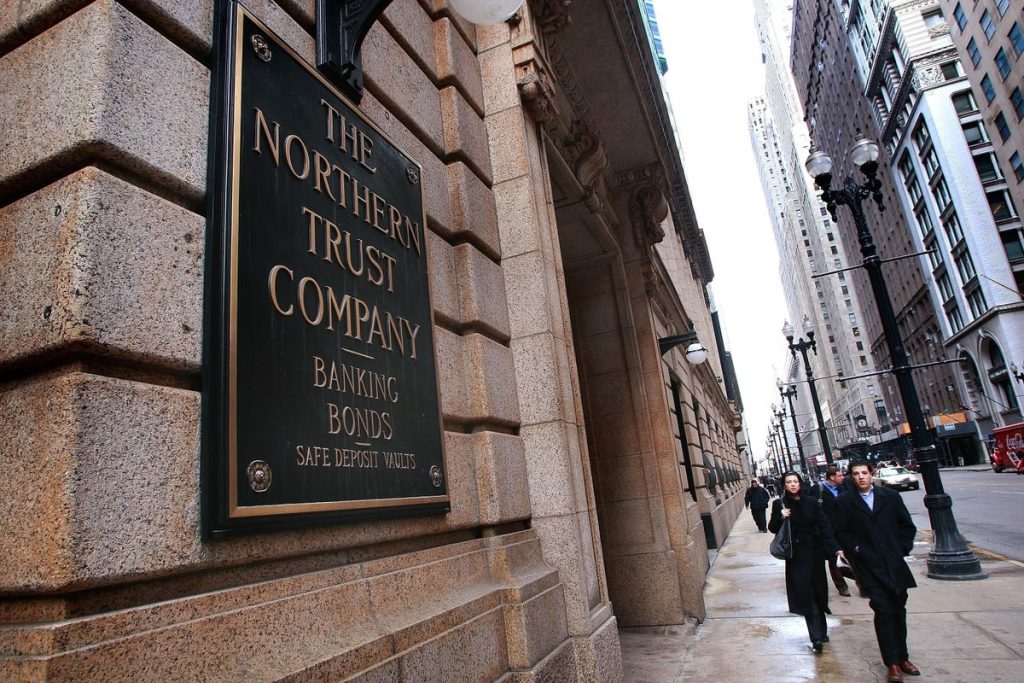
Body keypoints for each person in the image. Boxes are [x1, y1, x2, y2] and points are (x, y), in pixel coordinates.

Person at [832, 459, 920, 682]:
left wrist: (899, 548)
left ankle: (903, 658)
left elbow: (906, 526)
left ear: (871, 474)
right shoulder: (844, 502)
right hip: (868, 567)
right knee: (883, 611)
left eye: (864, 472)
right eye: (856, 474)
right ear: (851, 477)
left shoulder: (890, 497)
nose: (861, 477)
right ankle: (892, 663)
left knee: (898, 610)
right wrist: (856, 550)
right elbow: (841, 532)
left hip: (894, 565)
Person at [768, 471, 839, 653]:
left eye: (795, 481)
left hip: (815, 553)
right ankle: (816, 637)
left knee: (819, 591)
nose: (792, 484)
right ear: (784, 485)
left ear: (800, 483)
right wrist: (781, 517)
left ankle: (822, 631)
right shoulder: (780, 504)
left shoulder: (812, 502)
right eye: (788, 482)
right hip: (796, 556)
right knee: (805, 593)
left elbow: (824, 525)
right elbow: (772, 528)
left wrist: (835, 548)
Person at [815, 465, 855, 597]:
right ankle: (841, 586)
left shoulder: (844, 487)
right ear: (832, 477)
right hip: (828, 530)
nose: (842, 477)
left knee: (853, 556)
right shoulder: (818, 489)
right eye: (839, 475)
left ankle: (863, 584)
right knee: (834, 558)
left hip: (845, 528)